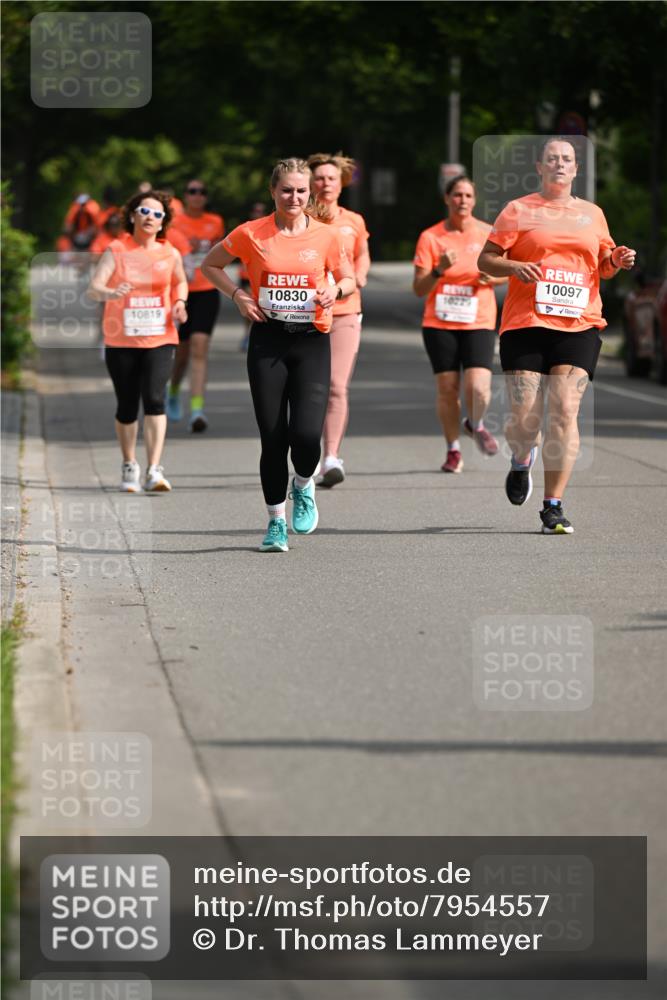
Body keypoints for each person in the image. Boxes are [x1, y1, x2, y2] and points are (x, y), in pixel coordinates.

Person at [478, 137, 636, 534]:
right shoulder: (519, 209)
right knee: (524, 421)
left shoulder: (592, 214)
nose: (560, 164)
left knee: (565, 410)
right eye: (553, 159)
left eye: (567, 159)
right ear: (540, 167)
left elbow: (604, 264)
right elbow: (486, 259)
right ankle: (520, 460)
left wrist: (615, 260)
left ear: (576, 169)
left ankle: (553, 506)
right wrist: (514, 266)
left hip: (579, 323)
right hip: (526, 322)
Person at [201, 158, 355, 552]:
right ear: (273, 191)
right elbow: (211, 264)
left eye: (301, 190)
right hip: (268, 341)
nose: (294, 197)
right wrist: (237, 295)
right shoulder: (252, 233)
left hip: (311, 341)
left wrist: (333, 291)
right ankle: (275, 523)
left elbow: (349, 278)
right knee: (273, 439)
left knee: (305, 435)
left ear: (310, 194)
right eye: (286, 190)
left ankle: (303, 485)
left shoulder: (327, 236)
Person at [87, 190, 188, 492]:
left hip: (161, 336)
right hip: (121, 339)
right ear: (132, 216)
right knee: (127, 404)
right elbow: (94, 287)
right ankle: (129, 464)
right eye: (144, 211)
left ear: (162, 223)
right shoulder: (116, 249)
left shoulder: (169, 252)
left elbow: (180, 280)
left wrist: (180, 301)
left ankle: (154, 469)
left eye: (157, 214)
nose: (150, 217)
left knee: (155, 399)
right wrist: (110, 293)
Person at [413, 175, 504, 473]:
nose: (462, 200)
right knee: (448, 388)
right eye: (457, 195)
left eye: (468, 196)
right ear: (447, 199)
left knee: (479, 389)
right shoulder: (431, 237)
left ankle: (475, 423)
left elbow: (507, 271)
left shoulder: (488, 233)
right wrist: (439, 270)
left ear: (474, 201)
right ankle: (453, 449)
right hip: (440, 323)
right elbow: (419, 288)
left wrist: (494, 277)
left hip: (478, 320)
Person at [307, 152, 370, 487]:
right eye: (319, 178)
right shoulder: (301, 218)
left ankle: (330, 456)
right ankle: (308, 454)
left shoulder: (353, 221)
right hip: (305, 313)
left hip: (345, 311)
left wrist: (357, 276)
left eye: (331, 178)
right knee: (308, 388)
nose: (325, 183)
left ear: (341, 183)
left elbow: (362, 255)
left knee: (336, 386)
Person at [166, 180, 225, 431]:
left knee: (200, 348)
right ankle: (174, 390)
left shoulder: (216, 221)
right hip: (181, 293)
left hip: (208, 291)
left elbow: (221, 253)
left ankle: (197, 411)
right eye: (192, 191)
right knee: (182, 355)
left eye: (202, 192)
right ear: (185, 196)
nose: (197, 196)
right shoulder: (174, 223)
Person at [238, 201, 268, 351]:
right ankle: (247, 334)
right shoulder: (246, 229)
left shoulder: (269, 230)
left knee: (261, 306)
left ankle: (255, 334)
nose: (258, 213)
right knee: (250, 305)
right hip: (246, 274)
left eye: (261, 211)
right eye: (256, 211)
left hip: (263, 276)